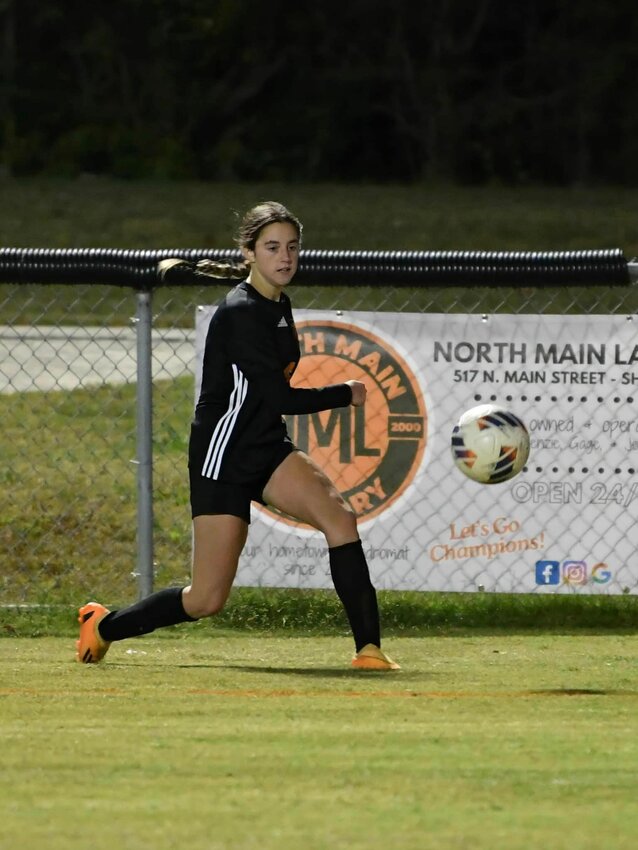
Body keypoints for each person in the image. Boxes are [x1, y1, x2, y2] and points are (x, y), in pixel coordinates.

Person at [77, 201, 399, 671]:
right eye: (272, 247)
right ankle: (102, 625)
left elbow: (269, 404)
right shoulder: (241, 312)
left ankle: (368, 651)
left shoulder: (277, 305)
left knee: (340, 520)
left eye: (292, 247)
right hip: (222, 457)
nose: (285, 257)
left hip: (266, 447)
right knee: (205, 599)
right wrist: (345, 393)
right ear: (249, 253)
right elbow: (281, 397)